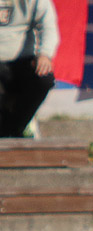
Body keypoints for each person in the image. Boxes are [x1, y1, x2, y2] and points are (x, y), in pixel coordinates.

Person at [0, 0, 58, 137]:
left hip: (24, 60)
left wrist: (45, 54)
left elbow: (48, 25)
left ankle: (15, 128)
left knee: (43, 79)